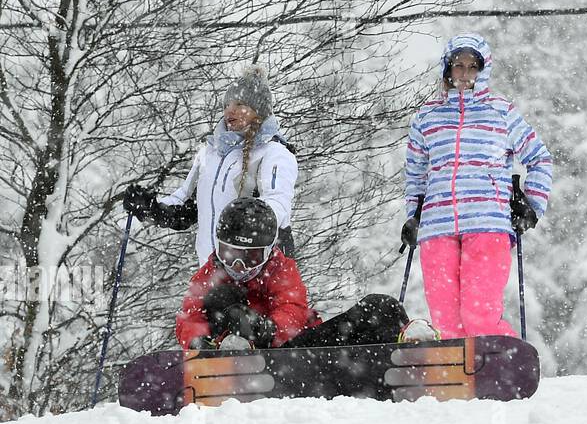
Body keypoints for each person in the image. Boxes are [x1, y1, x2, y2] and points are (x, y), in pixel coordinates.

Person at [402, 33, 552, 339]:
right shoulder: (427, 116)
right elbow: (415, 174)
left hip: (487, 222)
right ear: (447, 68)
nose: (465, 73)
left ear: (484, 70)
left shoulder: (501, 111)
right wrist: (412, 215)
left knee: (478, 316)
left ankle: (503, 373)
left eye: (473, 66)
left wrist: (532, 207)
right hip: (437, 226)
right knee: (446, 323)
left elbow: (539, 158)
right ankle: (458, 384)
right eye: (458, 65)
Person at [177, 197, 408, 350]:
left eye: (250, 257)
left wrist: (267, 328)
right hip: (237, 352)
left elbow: (292, 308)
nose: (238, 265)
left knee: (382, 307)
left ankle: (404, 351)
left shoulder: (280, 267)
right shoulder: (210, 273)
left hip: (293, 351)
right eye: (229, 253)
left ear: (268, 252)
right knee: (222, 298)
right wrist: (200, 343)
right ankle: (232, 355)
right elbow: (190, 316)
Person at [123, 66, 298, 265]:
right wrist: (151, 209)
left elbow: (278, 205)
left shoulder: (274, 153)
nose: (229, 110)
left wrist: (252, 222)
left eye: (239, 104)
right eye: (226, 105)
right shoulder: (211, 153)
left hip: (257, 274)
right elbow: (187, 207)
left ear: (258, 112)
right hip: (211, 273)